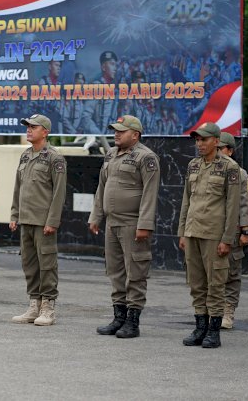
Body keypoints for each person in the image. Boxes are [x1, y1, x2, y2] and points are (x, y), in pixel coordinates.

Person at [89, 115, 160, 338]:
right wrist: (96, 215)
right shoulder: (111, 154)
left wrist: (144, 224)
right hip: (112, 223)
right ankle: (118, 317)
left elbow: (150, 193)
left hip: (133, 224)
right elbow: (102, 186)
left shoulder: (146, 157)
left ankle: (133, 321)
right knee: (115, 272)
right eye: (115, 130)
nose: (116, 134)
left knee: (135, 273)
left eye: (121, 131)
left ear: (135, 135)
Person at [178, 122, 240, 348]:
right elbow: (187, 200)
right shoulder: (193, 165)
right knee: (196, 283)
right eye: (197, 140)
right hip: (193, 231)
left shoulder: (229, 167)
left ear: (216, 141)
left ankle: (214, 331)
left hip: (214, 234)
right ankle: (200, 326)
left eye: (204, 139)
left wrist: (227, 239)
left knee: (216, 283)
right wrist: (182, 231)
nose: (199, 144)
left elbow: (233, 207)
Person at [10, 114, 67, 326]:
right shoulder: (25, 156)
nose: (29, 130)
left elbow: (59, 193)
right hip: (26, 219)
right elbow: (18, 188)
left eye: (33, 127)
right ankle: (34, 304)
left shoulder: (54, 158)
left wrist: (52, 221)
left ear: (45, 131)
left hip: (44, 222)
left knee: (47, 264)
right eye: (27, 127)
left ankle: (48, 307)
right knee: (29, 264)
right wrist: (15, 214)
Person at [217, 132, 248, 329]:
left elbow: (245, 204)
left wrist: (245, 231)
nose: (218, 153)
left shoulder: (240, 173)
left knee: (231, 273)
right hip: (211, 229)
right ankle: (212, 309)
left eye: (221, 149)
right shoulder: (209, 169)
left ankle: (228, 311)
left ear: (230, 150)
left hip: (233, 231)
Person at [82, 51, 120, 134]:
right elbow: (85, 117)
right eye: (112, 64)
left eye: (115, 65)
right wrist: (98, 134)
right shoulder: (96, 87)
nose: (115, 68)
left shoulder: (115, 90)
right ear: (103, 67)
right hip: (99, 136)